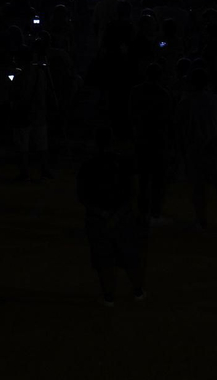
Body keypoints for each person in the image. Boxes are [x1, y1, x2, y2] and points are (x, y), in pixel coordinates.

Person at [76, 128, 146, 305]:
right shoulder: (126, 163)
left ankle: (109, 297)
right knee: (130, 257)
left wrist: (101, 214)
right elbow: (133, 192)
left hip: (97, 219)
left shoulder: (88, 165)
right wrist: (119, 214)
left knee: (104, 261)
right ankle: (138, 292)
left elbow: (82, 196)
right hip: (123, 217)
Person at [180, 69, 217, 229]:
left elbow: (179, 124)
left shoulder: (185, 103)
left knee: (198, 187)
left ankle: (200, 219)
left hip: (195, 148)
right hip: (215, 146)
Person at [128, 69, 174, 226]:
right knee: (158, 179)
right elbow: (168, 118)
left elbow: (131, 113)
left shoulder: (136, 92)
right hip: (158, 139)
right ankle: (154, 211)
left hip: (142, 138)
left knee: (143, 178)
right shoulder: (164, 94)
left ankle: (142, 211)